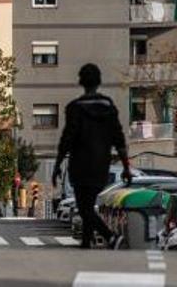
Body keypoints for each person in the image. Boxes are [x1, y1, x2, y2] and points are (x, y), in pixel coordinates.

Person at [52, 63, 130, 249]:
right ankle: (86, 242)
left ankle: (110, 237)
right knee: (88, 204)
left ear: (81, 81)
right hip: (101, 164)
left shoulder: (75, 108)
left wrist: (58, 163)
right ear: (99, 81)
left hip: (80, 164)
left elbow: (67, 138)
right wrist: (126, 166)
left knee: (84, 207)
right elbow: (118, 137)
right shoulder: (109, 107)